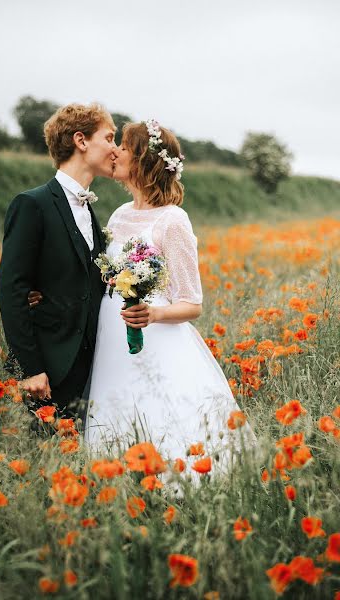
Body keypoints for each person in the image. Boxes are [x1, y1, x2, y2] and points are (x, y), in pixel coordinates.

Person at [83, 120, 256, 464]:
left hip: (157, 336)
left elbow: (192, 304)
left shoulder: (173, 221)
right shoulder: (118, 216)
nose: (115, 151)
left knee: (162, 415)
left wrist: (153, 314)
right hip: (111, 331)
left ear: (143, 161)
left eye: (125, 148)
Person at [0, 103, 118, 425]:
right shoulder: (32, 204)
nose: (115, 149)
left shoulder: (91, 212)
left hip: (92, 367)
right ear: (81, 141)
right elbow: (12, 291)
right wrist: (31, 369)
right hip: (48, 371)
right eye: (109, 138)